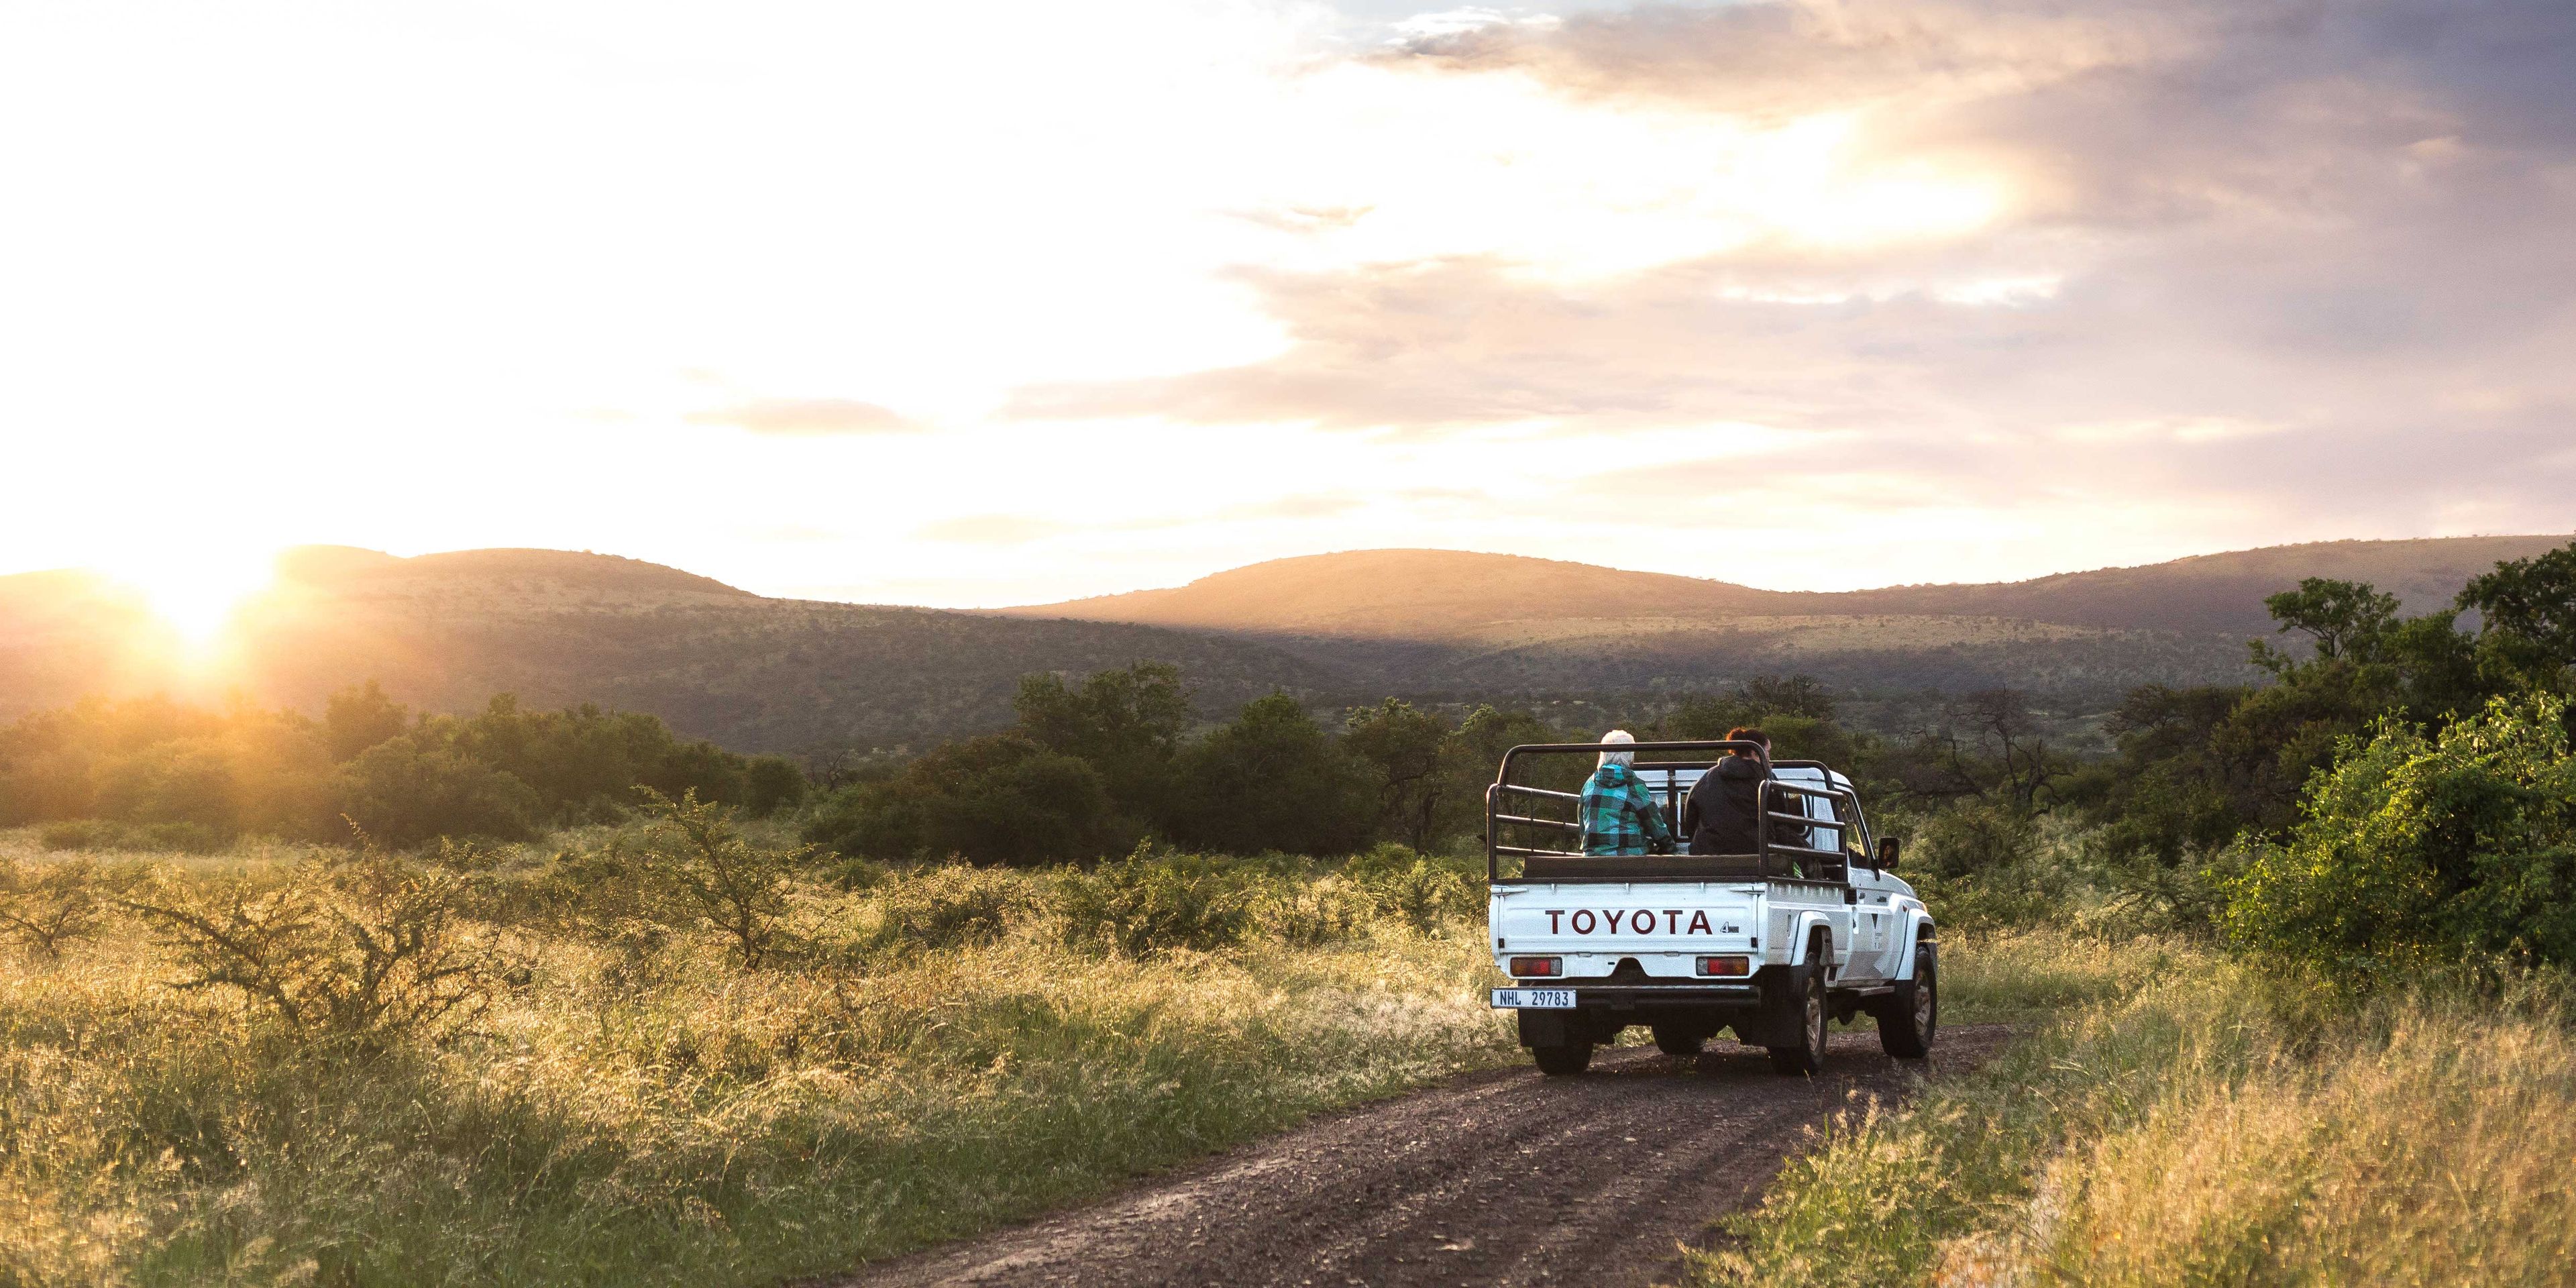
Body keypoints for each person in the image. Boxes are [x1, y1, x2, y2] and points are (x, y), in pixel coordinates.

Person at [1683, 727, 1776, 859]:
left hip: (1707, 853)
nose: (1769, 757)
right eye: (1768, 752)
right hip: (1756, 854)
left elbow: (1690, 818)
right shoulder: (1766, 779)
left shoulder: (1708, 777)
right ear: (1755, 753)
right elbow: (1780, 817)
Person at [1578, 729, 1673, 857]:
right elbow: (1655, 826)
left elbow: (1583, 827)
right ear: (1629, 755)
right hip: (1630, 858)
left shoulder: (1589, 784)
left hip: (1593, 858)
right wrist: (1671, 849)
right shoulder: (1633, 785)